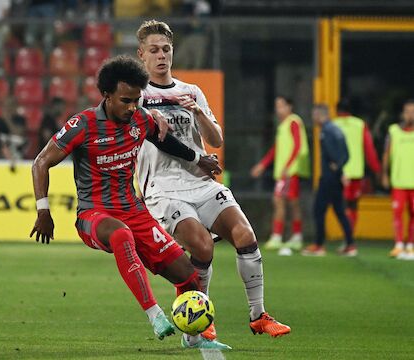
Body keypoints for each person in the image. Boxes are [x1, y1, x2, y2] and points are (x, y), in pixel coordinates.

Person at [30, 55, 231, 350]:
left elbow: (164, 141)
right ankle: (154, 313)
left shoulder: (140, 118)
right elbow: (41, 162)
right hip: (94, 215)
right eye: (125, 100)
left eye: (136, 100)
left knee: (189, 277)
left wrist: (199, 159)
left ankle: (194, 338)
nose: (132, 107)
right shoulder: (82, 125)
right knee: (121, 234)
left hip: (134, 212)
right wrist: (43, 211)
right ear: (106, 95)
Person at [135, 20, 291, 341]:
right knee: (203, 247)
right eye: (154, 50)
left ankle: (258, 315)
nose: (161, 56)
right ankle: (198, 324)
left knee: (245, 235)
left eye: (166, 49)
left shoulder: (191, 91)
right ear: (142, 55)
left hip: (201, 181)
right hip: (164, 188)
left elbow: (216, 139)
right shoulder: (137, 96)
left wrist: (200, 113)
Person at [251, 96, 310, 251]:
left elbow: (298, 146)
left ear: (290, 107)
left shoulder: (294, 122)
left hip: (289, 171)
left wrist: (288, 166)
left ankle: (277, 236)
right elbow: (276, 149)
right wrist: (262, 165)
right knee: (291, 203)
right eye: (277, 106)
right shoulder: (283, 125)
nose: (278, 110)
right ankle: (296, 237)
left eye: (281, 106)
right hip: (287, 172)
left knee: (279, 201)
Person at [302, 104, 354, 256]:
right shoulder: (337, 129)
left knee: (318, 210)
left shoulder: (325, 131)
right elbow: (346, 154)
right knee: (339, 210)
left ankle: (319, 245)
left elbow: (332, 154)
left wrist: (334, 166)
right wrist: (340, 168)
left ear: (319, 115)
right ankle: (350, 244)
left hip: (329, 178)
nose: (313, 118)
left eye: (314, 115)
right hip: (336, 177)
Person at [334, 98, 381, 236]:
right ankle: (350, 237)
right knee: (352, 205)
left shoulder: (332, 125)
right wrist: (376, 169)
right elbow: (369, 149)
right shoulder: (360, 125)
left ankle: (345, 237)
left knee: (339, 206)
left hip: (338, 173)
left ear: (337, 111)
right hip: (355, 172)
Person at [381, 100, 414, 259]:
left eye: (413, 111)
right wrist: (384, 174)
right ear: (402, 113)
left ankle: (411, 245)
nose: (410, 115)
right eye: (408, 111)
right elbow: (386, 154)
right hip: (399, 181)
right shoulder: (393, 131)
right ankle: (399, 244)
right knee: (398, 213)